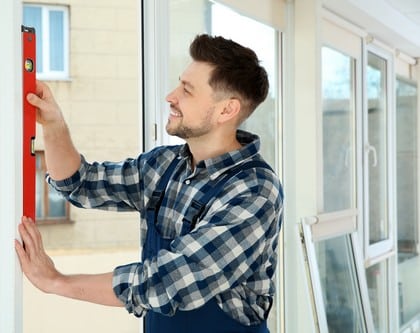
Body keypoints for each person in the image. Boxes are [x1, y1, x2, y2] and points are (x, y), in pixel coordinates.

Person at [15, 34, 284, 333]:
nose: (171, 96)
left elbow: (169, 281)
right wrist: (54, 124)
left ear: (226, 110)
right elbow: (81, 183)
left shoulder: (256, 189)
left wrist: (57, 281)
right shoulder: (164, 166)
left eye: (187, 90)